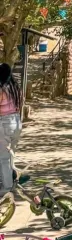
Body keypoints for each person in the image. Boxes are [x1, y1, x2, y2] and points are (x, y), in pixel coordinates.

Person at [0, 64, 23, 196]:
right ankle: (12, 179)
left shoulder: (2, 89)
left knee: (3, 158)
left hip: (4, 123)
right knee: (10, 155)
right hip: (16, 121)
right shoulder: (15, 87)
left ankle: (7, 188)